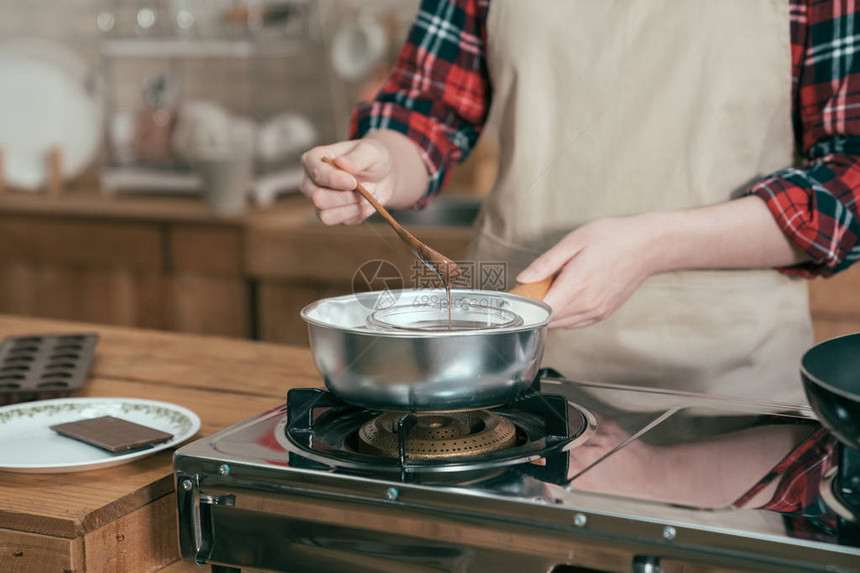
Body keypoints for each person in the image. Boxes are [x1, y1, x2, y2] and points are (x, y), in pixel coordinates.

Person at [300, 0, 860, 406]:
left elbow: (847, 182)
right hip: (509, 376)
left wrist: (652, 246)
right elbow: (429, 109)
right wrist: (383, 163)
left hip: (728, 394)